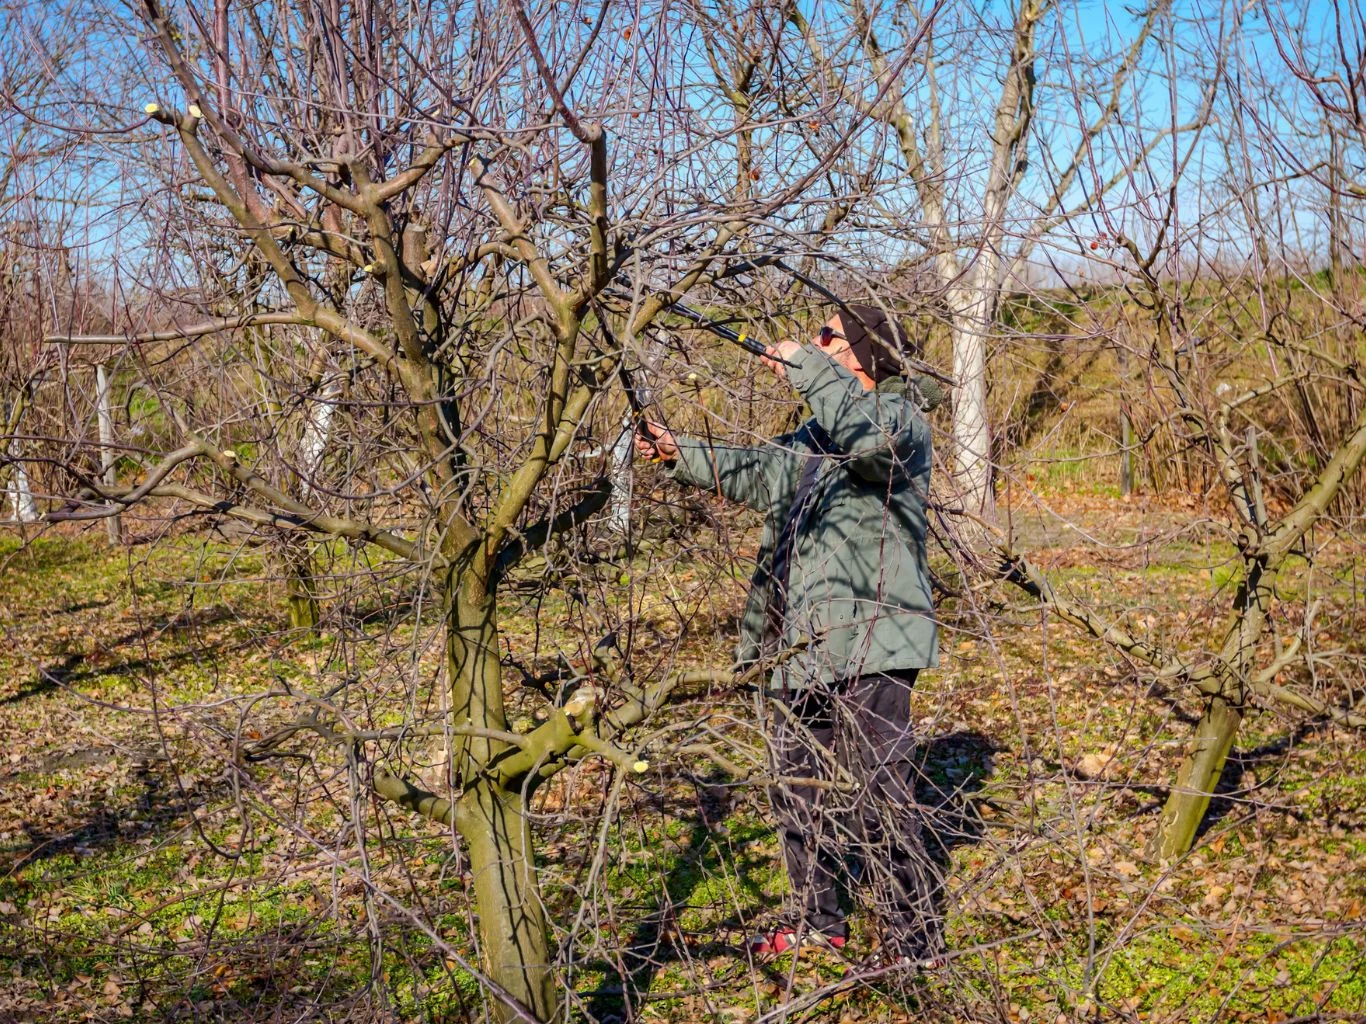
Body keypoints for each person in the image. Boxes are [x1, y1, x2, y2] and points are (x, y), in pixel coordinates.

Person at [635, 303, 944, 969]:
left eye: (827, 335)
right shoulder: (813, 436)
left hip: (873, 636)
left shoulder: (898, 420)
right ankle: (816, 922)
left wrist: (803, 367)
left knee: (880, 792)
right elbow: (757, 472)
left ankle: (913, 943)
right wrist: (677, 451)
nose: (813, 340)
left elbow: (865, 439)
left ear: (864, 354)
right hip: (799, 644)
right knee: (795, 787)